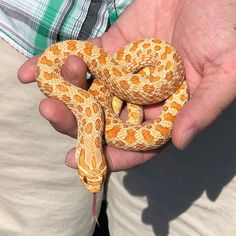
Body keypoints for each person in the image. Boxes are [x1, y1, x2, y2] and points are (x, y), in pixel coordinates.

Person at [2, 0, 236, 235]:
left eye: (91, 175)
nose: (90, 183)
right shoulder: (88, 106)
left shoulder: (92, 109)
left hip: (185, 53)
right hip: (24, 31)